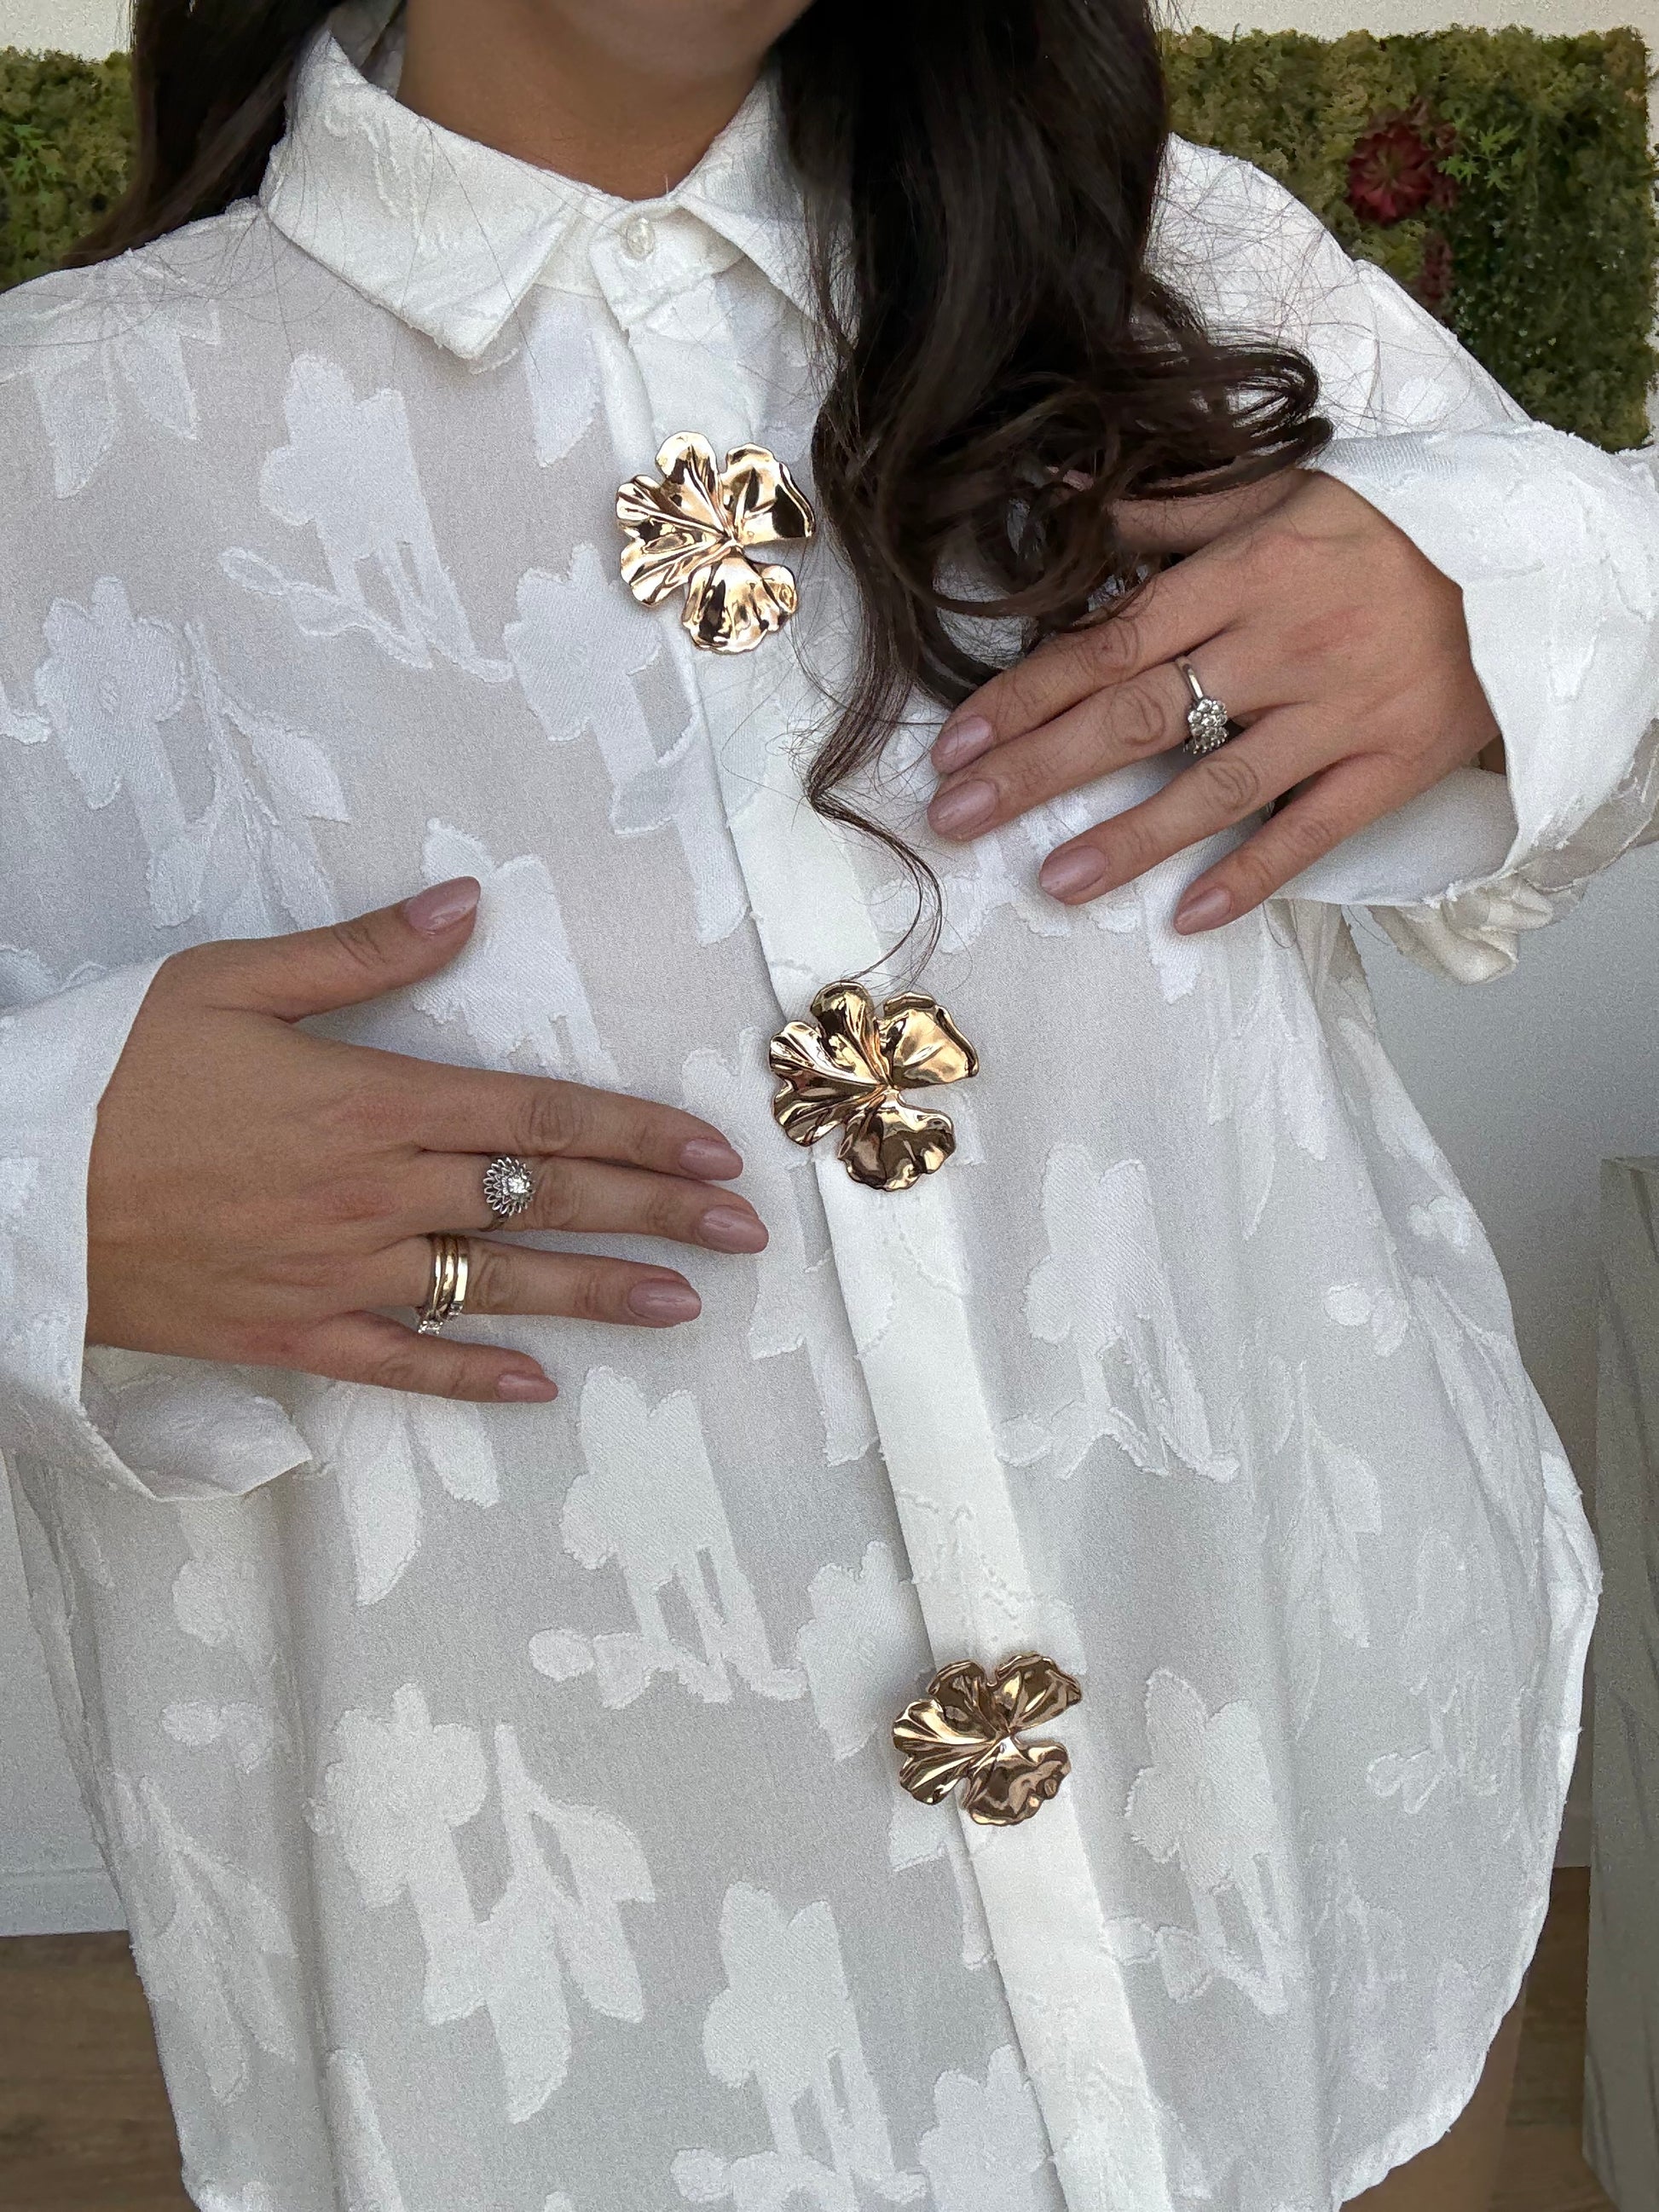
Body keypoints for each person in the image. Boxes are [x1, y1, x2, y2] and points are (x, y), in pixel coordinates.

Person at [1, 1, 1654, 2207]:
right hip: (584, 2065)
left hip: (1327, 1873)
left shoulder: (1168, 266)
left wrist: (1508, 593)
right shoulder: (57, 452)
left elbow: (1611, 708)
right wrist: (35, 1175)